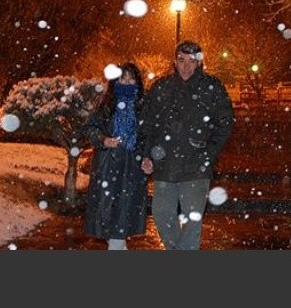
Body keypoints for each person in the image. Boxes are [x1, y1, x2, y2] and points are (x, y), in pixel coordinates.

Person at [138, 40, 235, 250]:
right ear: (175, 61)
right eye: (181, 60)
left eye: (192, 61)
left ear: (199, 62)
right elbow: (148, 124)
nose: (186, 66)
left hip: (196, 167)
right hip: (165, 165)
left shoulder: (212, 88)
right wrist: (147, 155)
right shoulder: (161, 87)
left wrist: (208, 153)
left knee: (192, 221)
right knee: (162, 213)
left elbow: (225, 124)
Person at [83, 62, 149, 250]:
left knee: (123, 218)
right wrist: (103, 140)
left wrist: (147, 157)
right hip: (107, 167)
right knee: (111, 217)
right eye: (122, 78)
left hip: (133, 169)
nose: (127, 82)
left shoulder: (143, 107)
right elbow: (90, 128)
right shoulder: (106, 105)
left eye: (130, 79)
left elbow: (149, 136)